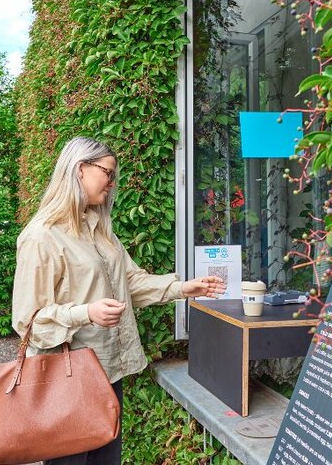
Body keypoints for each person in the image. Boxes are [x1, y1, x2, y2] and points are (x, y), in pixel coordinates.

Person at [12, 137, 226, 465]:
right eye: (107, 174)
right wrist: (87, 313)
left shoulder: (100, 230)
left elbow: (130, 283)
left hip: (107, 370)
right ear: (80, 169)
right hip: (68, 379)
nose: (112, 184)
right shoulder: (41, 236)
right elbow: (29, 320)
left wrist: (183, 288)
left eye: (113, 177)